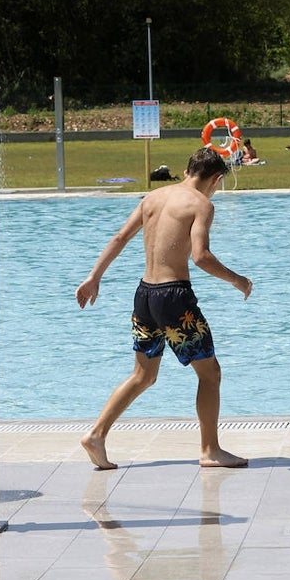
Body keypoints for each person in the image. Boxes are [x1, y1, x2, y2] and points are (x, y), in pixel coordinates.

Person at [75, 147, 252, 471]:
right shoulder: (202, 204)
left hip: (144, 295)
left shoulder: (153, 198)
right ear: (215, 179)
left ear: (187, 171)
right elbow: (200, 257)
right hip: (174, 298)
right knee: (210, 374)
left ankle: (96, 435)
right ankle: (210, 449)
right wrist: (237, 280)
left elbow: (119, 237)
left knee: (143, 375)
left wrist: (93, 277)